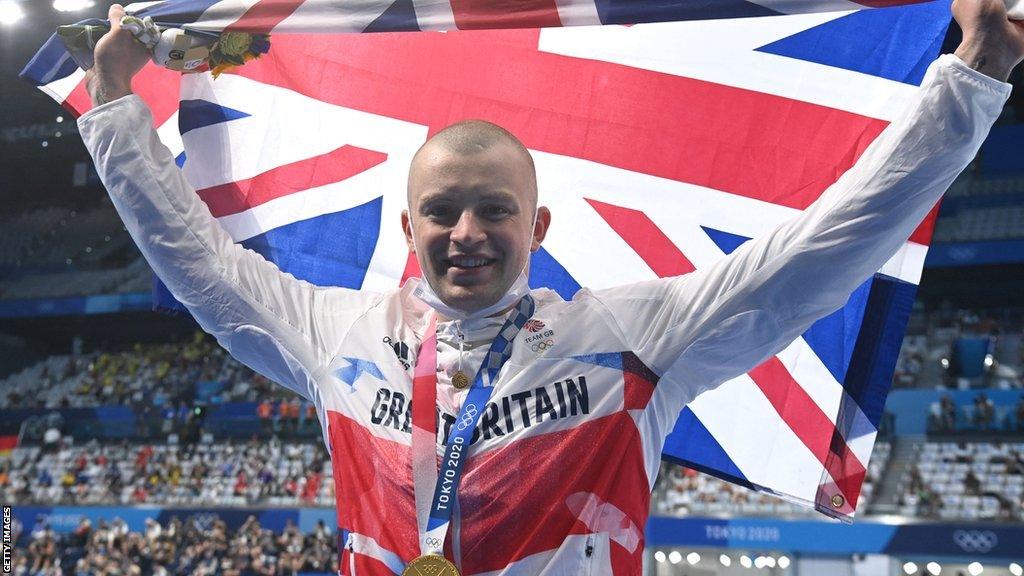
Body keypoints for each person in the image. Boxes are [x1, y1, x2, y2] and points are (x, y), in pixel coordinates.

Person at [80, 2, 1023, 574]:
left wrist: (971, 77)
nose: (466, 232)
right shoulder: (337, 336)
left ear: (536, 228)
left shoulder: (633, 342)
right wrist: (119, 105)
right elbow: (196, 265)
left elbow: (822, 251)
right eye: (442, 211)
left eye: (494, 209)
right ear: (405, 229)